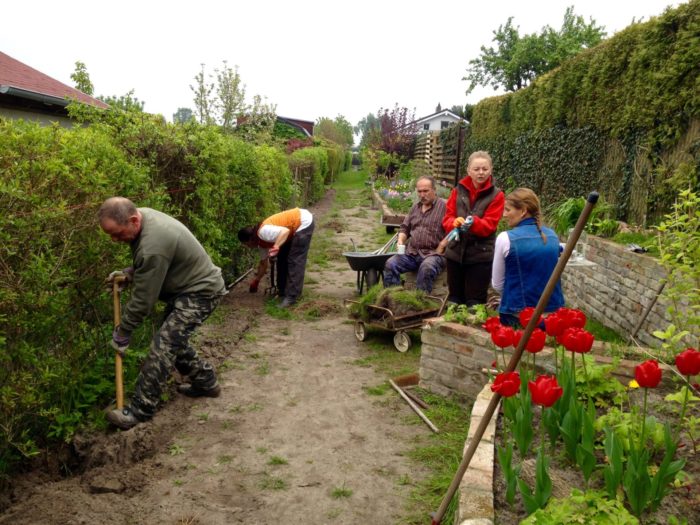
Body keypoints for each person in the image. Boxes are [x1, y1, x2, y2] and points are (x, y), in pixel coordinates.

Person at [100, 197, 227, 430]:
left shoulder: (153, 244)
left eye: (117, 234)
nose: (114, 240)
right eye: (110, 235)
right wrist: (130, 273)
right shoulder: (144, 218)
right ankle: (205, 381)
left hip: (201, 292)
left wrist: (124, 331)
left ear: (133, 219)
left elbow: (143, 300)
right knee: (172, 340)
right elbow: (150, 264)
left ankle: (140, 409)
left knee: (164, 344)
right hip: (187, 289)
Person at [492, 188, 565, 326]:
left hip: (518, 314)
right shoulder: (552, 236)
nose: (504, 215)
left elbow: (497, 284)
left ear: (523, 211)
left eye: (508, 210)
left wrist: (513, 296)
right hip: (552, 315)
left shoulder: (505, 238)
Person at [442, 151, 505, 306]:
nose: (481, 173)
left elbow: (490, 225)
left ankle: (471, 329)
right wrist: (454, 222)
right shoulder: (457, 191)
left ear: (491, 170)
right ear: (469, 171)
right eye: (476, 169)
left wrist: (473, 222)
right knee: (454, 300)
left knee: (474, 303)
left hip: (480, 257)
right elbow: (446, 219)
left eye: (484, 169)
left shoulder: (497, 195)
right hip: (455, 254)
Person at [238, 207, 314, 308]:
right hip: (290, 229)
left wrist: (276, 246)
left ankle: (292, 297)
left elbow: (284, 232)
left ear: (250, 240)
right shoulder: (260, 244)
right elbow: (263, 264)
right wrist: (256, 281)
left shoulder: (263, 232)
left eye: (246, 244)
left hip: (302, 221)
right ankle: (282, 291)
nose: (248, 247)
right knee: (282, 259)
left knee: (294, 260)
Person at [383, 176, 446, 293]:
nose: (422, 195)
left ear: (434, 190)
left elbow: (454, 230)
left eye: (426, 191)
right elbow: (404, 228)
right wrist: (400, 240)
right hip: (412, 253)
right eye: (419, 191)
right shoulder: (415, 208)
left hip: (434, 254)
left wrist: (442, 245)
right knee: (390, 264)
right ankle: (393, 299)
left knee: (426, 267)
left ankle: (419, 302)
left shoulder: (445, 207)